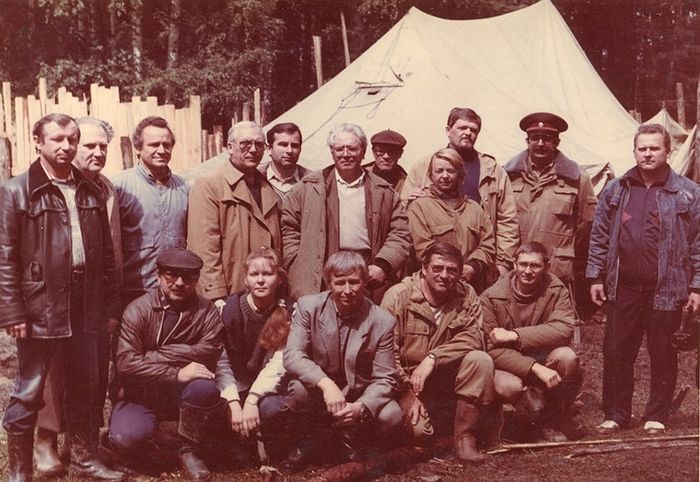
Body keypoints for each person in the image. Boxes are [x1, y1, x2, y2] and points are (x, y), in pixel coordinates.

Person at [0, 113, 124, 481]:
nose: (66, 146)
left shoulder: (90, 189)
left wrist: (109, 308)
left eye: (72, 139)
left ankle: (85, 460)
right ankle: (20, 470)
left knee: (87, 387)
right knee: (29, 390)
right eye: (57, 139)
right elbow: (5, 256)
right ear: (38, 142)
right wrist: (13, 312)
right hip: (41, 307)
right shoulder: (16, 191)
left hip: (87, 306)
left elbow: (106, 258)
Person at [587, 123, 700, 434]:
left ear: (668, 151)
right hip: (623, 287)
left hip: (667, 288)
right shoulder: (616, 189)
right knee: (616, 351)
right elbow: (599, 235)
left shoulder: (689, 193)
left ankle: (657, 415)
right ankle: (616, 413)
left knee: (662, 352)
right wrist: (595, 276)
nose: (648, 154)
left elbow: (698, 242)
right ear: (634, 151)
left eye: (654, 148)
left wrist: (697, 286)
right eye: (642, 148)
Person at [107, 248, 223, 480]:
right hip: (140, 393)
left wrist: (149, 356)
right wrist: (177, 373)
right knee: (125, 438)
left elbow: (209, 352)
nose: (179, 283)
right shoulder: (137, 309)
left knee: (205, 387)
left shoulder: (207, 312)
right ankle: (161, 440)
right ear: (158, 275)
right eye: (171, 275)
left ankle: (188, 449)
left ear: (197, 279)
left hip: (182, 396)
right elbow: (126, 363)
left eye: (188, 277)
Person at [282, 251, 402, 468]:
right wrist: (325, 384)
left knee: (391, 414)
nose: (347, 290)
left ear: (364, 281)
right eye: (340, 283)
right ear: (329, 283)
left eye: (354, 282)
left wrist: (361, 407)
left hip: (357, 394)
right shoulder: (309, 307)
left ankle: (357, 443)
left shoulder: (383, 321)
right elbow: (292, 355)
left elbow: (386, 378)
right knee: (298, 390)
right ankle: (309, 440)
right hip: (319, 392)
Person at [381, 242, 496, 463]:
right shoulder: (398, 296)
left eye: (452, 270)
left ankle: (465, 437)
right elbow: (385, 354)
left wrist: (433, 358)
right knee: (420, 433)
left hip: (444, 378)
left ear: (460, 273)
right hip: (406, 383)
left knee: (480, 359)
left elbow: (476, 336)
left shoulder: (467, 294)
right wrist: (406, 395)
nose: (445, 275)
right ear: (424, 269)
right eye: (437, 268)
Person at [282, 123, 410, 301]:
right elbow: (289, 227)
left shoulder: (383, 191)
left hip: (367, 274)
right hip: (320, 272)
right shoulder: (307, 187)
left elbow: (400, 233)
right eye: (339, 149)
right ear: (332, 152)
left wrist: (383, 265)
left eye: (352, 149)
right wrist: (298, 263)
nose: (346, 154)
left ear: (363, 151)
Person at [401, 107, 519, 280]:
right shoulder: (423, 166)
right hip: (434, 271)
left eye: (473, 129)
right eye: (462, 128)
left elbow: (507, 220)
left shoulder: (493, 170)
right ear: (448, 130)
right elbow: (404, 215)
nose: (468, 133)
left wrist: (503, 263)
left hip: (478, 266)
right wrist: (408, 202)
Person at [481, 242, 582, 441]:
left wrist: (515, 335)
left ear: (547, 266)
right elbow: (489, 346)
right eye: (523, 264)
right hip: (507, 364)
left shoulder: (557, 290)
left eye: (535, 265)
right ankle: (503, 423)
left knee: (567, 357)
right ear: (514, 264)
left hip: (544, 357)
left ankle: (555, 418)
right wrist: (535, 367)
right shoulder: (491, 296)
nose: (527, 271)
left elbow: (563, 329)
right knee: (509, 387)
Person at [188, 121, 282, 304]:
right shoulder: (209, 184)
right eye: (245, 143)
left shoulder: (266, 185)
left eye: (259, 144)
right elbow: (204, 248)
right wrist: (215, 295)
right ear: (229, 147)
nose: (253, 150)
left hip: (265, 293)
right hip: (229, 294)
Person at [216, 247, 302, 444]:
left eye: (268, 274)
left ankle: (272, 444)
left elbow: (280, 362)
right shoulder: (226, 310)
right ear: (245, 279)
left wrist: (253, 398)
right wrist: (233, 402)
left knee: (271, 407)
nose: (261, 280)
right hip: (233, 383)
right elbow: (221, 362)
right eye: (254, 274)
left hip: (269, 385)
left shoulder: (291, 311)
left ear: (279, 279)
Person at [504, 112, 596, 283]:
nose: (540, 143)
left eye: (546, 138)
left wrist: (565, 253)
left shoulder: (577, 179)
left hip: (557, 271)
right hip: (517, 268)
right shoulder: (508, 176)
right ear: (527, 141)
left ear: (556, 142)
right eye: (535, 138)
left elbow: (586, 226)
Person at [113, 116, 189, 305]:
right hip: (133, 293)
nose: (161, 150)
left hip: (175, 292)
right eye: (154, 144)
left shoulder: (184, 188)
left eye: (167, 145)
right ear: (137, 148)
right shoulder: (119, 187)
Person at [406, 148, 496, 292]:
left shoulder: (475, 209)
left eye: (450, 171)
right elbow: (423, 249)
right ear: (430, 175)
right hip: (432, 288)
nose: (445, 176)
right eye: (439, 171)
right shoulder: (419, 207)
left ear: (460, 175)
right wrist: (452, 271)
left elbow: (488, 245)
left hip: (470, 288)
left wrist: (473, 266)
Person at [257, 122, 309, 198]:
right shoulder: (255, 178)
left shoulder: (313, 181)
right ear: (269, 149)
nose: (289, 151)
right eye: (283, 145)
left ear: (300, 149)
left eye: (294, 146)